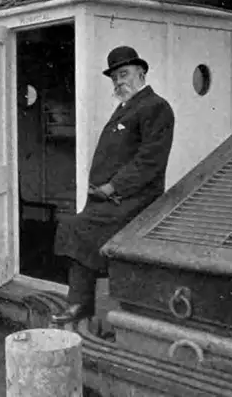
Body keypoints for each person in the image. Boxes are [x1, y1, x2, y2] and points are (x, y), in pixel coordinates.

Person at [54, 45, 175, 326]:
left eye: (124, 74)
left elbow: (150, 161)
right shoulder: (126, 107)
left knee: (77, 228)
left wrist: (113, 187)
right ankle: (83, 303)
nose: (119, 82)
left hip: (136, 200)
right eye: (114, 78)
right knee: (76, 229)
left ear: (141, 72)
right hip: (110, 198)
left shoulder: (155, 107)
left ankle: (80, 304)